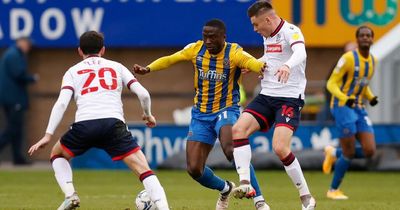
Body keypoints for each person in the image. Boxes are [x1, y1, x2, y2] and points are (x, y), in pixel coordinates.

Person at [133, 19, 270, 210]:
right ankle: (225, 188)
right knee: (194, 169)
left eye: (212, 37)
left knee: (231, 148)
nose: (208, 40)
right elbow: (170, 59)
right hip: (200, 115)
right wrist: (148, 69)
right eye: (205, 36)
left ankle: (259, 201)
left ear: (224, 37)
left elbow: (251, 62)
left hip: (226, 109)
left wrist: (260, 67)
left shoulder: (235, 52)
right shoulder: (195, 49)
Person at [27, 31, 170, 210]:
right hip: (113, 124)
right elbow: (143, 94)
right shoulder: (117, 67)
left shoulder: (72, 71)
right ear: (103, 49)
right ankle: (164, 208)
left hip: (84, 125)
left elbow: (61, 103)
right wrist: (148, 114)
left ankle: (70, 195)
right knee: (144, 169)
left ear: (80, 51)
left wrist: (48, 135)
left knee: (57, 155)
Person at [230, 1, 316, 210]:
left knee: (280, 147)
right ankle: (245, 183)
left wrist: (288, 65)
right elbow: (272, 56)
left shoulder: (291, 31)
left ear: (267, 19)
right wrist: (258, 64)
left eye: (255, 24)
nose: (255, 29)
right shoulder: (267, 36)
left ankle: (306, 197)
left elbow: (300, 53)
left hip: (289, 98)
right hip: (267, 95)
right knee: (238, 129)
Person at [323, 26, 378, 200]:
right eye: (361, 35)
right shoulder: (347, 59)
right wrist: (344, 97)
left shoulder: (372, 61)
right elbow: (331, 83)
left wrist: (370, 97)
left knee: (370, 151)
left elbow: (362, 83)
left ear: (372, 39)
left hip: (359, 107)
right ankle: (333, 190)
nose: (365, 38)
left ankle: (333, 153)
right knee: (349, 152)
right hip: (342, 106)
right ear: (357, 39)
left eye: (368, 35)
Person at [0, 36, 38, 165]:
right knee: (12, 129)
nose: (29, 47)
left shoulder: (13, 54)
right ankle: (17, 158)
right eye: (28, 44)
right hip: (13, 98)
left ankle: (18, 158)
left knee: (17, 130)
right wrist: (32, 78)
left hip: (13, 98)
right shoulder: (13, 55)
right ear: (21, 42)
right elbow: (18, 74)